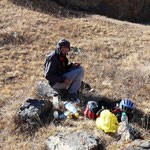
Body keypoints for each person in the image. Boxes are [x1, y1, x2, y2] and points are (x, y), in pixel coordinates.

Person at [44, 39, 84, 103]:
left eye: (67, 49)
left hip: (61, 77)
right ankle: (72, 95)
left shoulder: (62, 57)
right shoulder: (52, 58)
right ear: (59, 47)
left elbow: (63, 69)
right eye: (64, 48)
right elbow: (48, 76)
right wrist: (63, 80)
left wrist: (72, 65)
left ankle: (73, 89)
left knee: (79, 68)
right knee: (80, 71)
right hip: (55, 83)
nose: (65, 51)